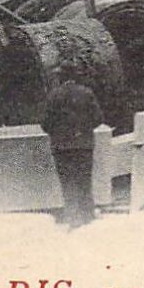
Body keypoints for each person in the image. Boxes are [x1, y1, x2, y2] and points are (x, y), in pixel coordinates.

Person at [41, 65, 103, 228]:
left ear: (60, 78)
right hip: (84, 145)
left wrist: (60, 133)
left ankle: (73, 219)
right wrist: (83, 130)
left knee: (68, 183)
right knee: (84, 182)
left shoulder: (54, 96)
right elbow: (98, 118)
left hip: (61, 147)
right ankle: (87, 219)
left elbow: (45, 124)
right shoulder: (86, 93)